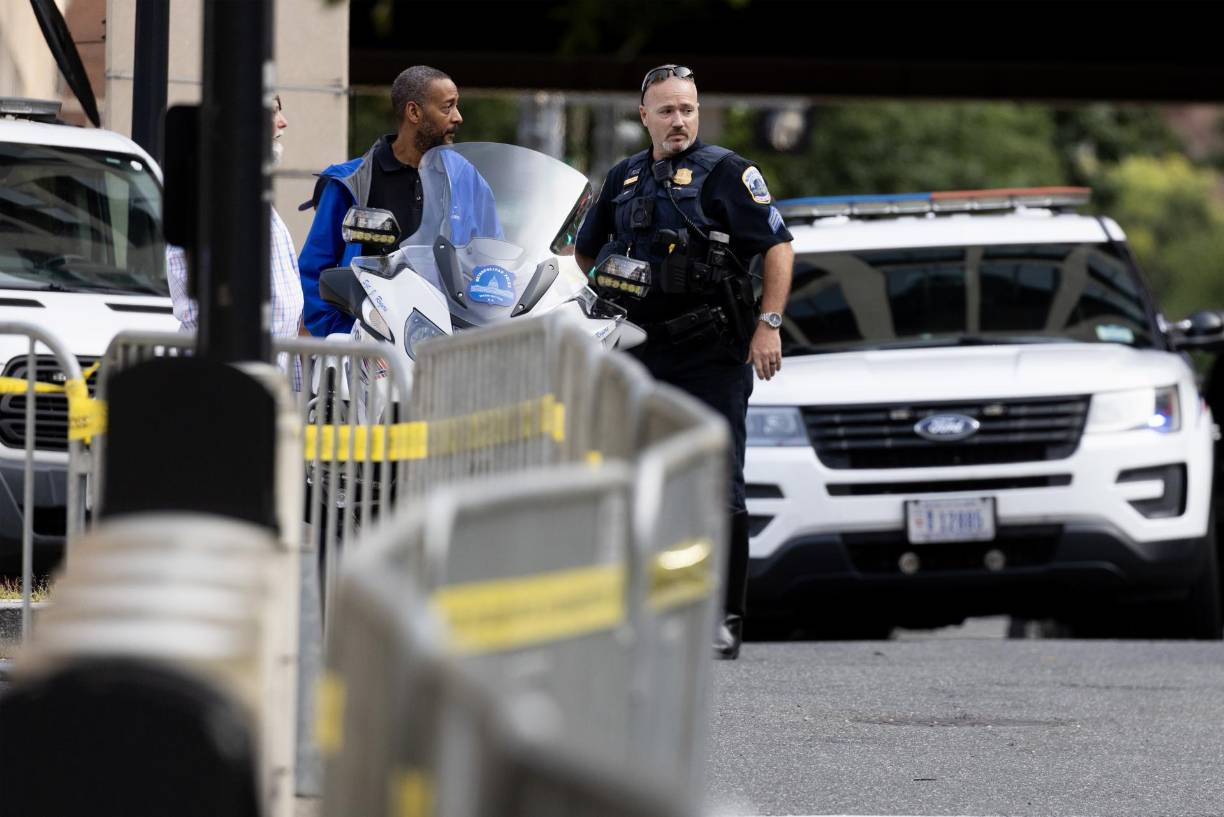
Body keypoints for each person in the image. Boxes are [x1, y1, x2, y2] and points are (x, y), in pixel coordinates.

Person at [576, 64, 794, 661]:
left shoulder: (728, 173)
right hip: (639, 352)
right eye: (668, 110)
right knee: (640, 480)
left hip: (711, 353)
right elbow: (585, 251)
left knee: (718, 481)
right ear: (643, 116)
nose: (679, 121)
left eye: (688, 110)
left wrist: (769, 324)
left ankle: (722, 616)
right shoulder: (622, 177)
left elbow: (778, 247)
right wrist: (612, 285)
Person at [298, 65, 463, 337]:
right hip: (369, 351)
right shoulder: (351, 182)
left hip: (449, 347)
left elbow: (490, 258)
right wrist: (348, 336)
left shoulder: (466, 181)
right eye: (448, 107)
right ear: (414, 112)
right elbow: (314, 272)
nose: (458, 117)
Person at [167, 94, 303, 342]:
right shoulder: (212, 198)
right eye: (273, 111)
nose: (283, 122)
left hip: (270, 358)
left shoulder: (253, 195)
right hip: (230, 359)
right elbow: (196, 306)